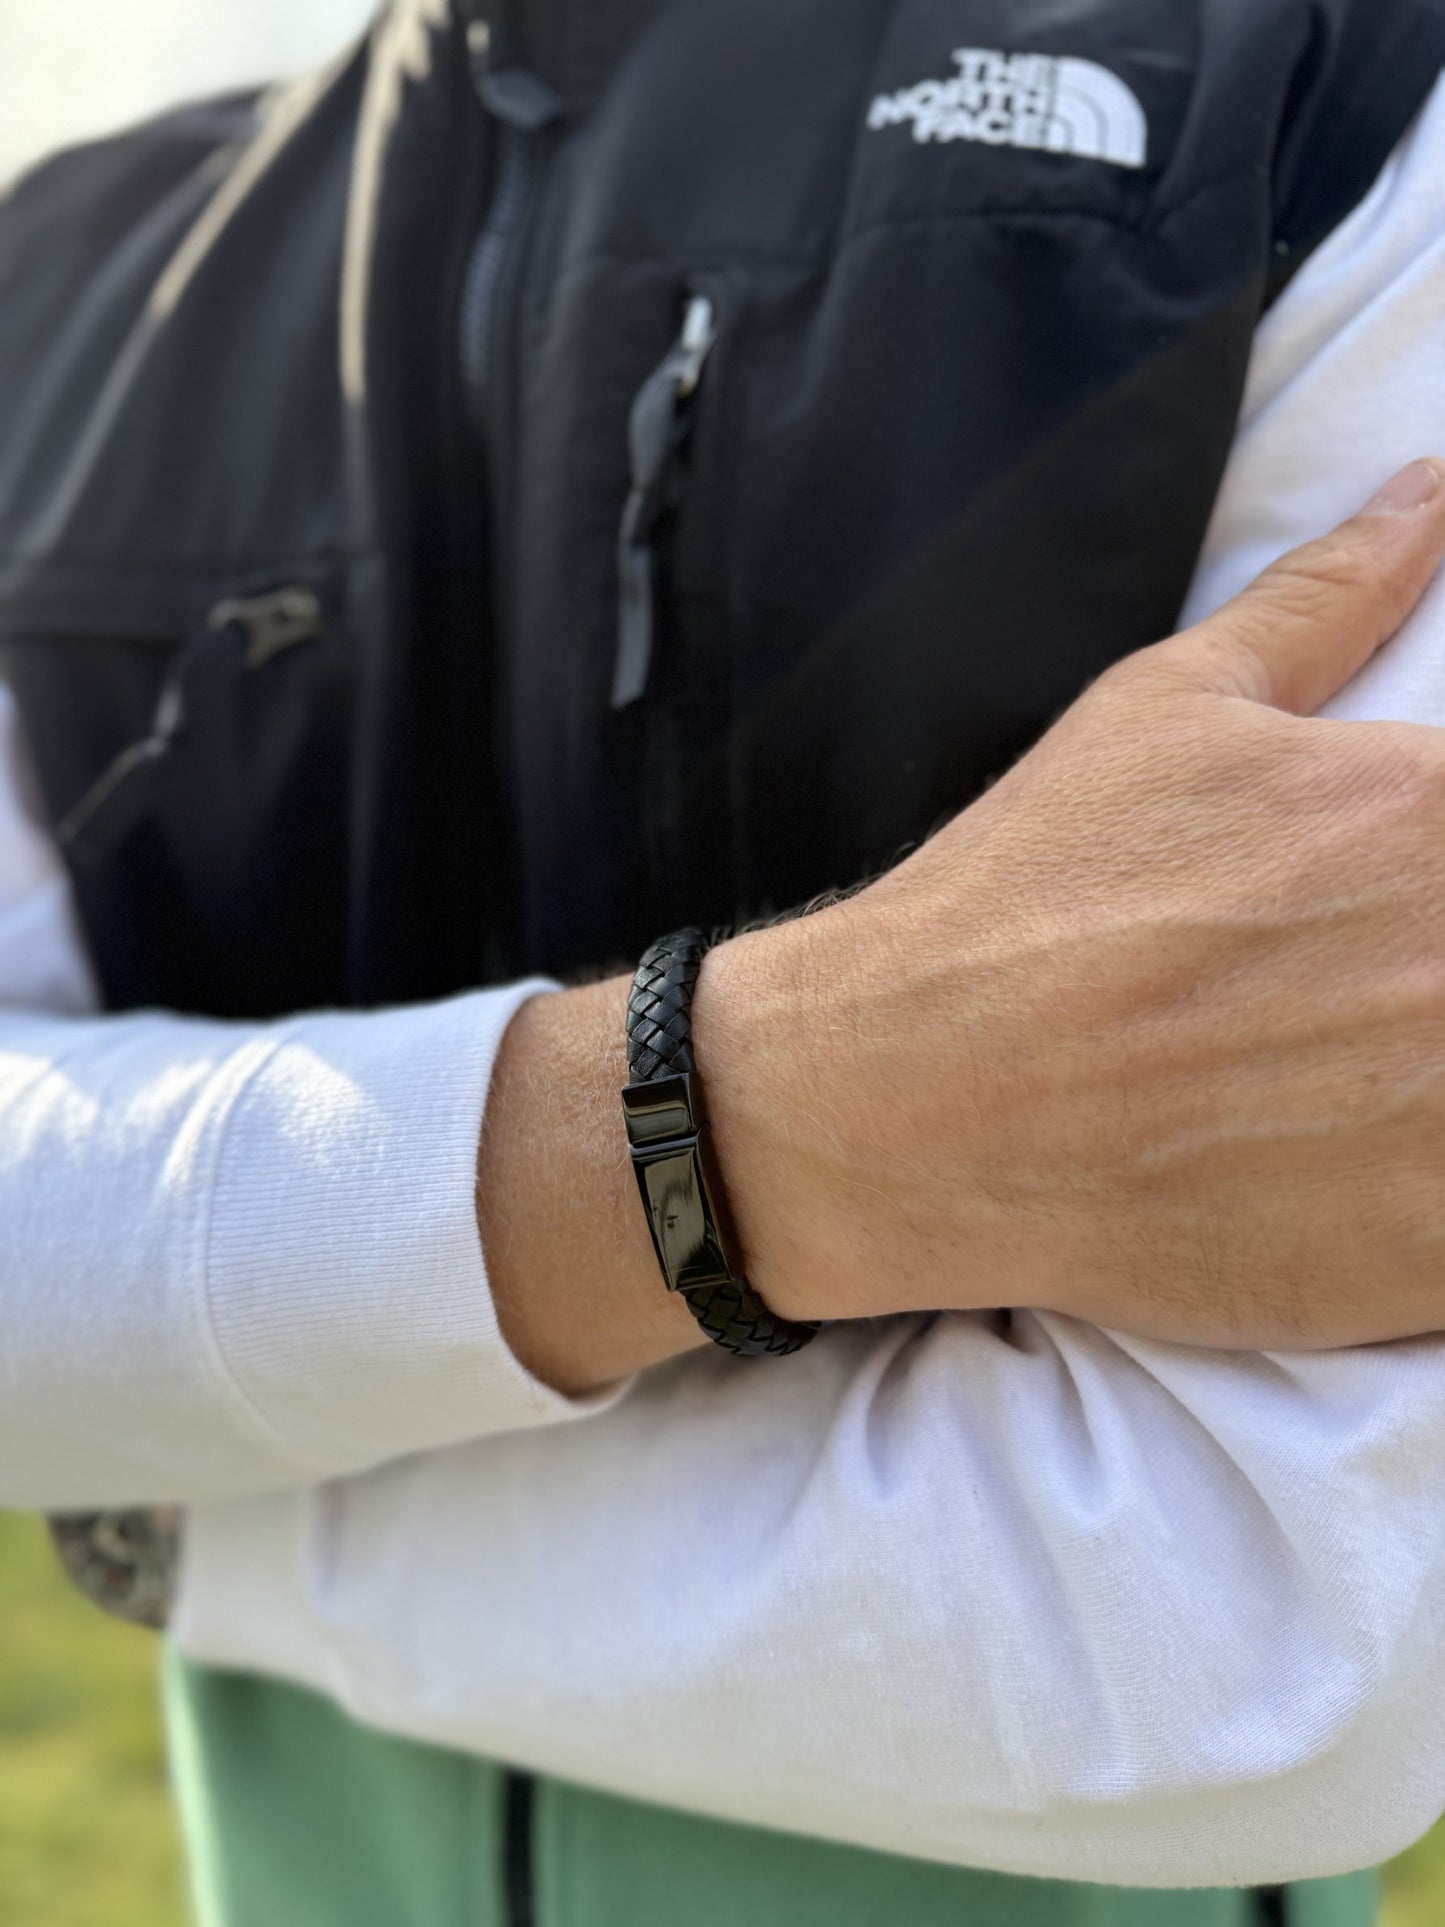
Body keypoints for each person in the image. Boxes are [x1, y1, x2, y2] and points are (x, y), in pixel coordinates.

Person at [5, 1, 1445, 1922]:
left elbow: (1254, 1642)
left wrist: (181, 1503)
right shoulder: (58, 276)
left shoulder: (1333, 90)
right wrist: (779, 1115)